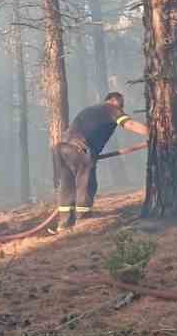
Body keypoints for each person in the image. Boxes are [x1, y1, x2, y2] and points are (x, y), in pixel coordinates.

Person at [51, 92, 148, 233]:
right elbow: (130, 124)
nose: (122, 109)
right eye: (121, 105)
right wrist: (153, 132)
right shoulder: (111, 109)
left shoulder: (92, 110)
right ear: (114, 101)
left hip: (61, 148)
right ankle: (83, 219)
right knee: (86, 183)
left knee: (68, 185)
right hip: (79, 149)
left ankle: (64, 224)